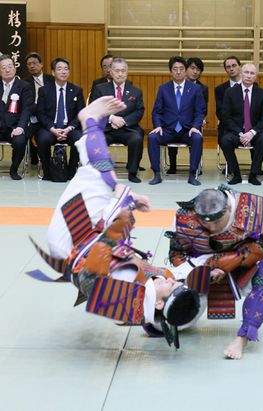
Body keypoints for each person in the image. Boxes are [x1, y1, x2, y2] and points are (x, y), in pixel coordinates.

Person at [27, 96, 200, 349]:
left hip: (72, 242)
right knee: (96, 174)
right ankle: (91, 126)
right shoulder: (145, 292)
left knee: (101, 175)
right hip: (83, 241)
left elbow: (97, 259)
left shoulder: (127, 287)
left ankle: (89, 121)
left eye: (170, 287)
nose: (171, 280)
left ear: (159, 303)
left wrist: (123, 202)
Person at [165, 186, 263, 359]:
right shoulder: (185, 216)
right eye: (206, 223)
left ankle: (242, 338)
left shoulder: (251, 207)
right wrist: (201, 275)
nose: (212, 227)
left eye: (217, 222)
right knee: (166, 323)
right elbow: (177, 256)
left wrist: (235, 259)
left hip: (241, 266)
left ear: (229, 208)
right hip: (200, 271)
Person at [148, 56, 206, 186]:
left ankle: (192, 174)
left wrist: (196, 126)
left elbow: (199, 111)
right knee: (152, 137)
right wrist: (157, 125)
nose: (178, 72)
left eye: (181, 69)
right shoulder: (164, 89)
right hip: (168, 130)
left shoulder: (195, 89)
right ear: (171, 71)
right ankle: (157, 174)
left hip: (187, 130)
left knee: (197, 138)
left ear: (185, 71)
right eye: (175, 69)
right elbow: (157, 111)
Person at [90, 57, 145, 183]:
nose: (120, 73)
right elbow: (94, 108)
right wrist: (111, 118)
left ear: (127, 72)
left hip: (127, 128)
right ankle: (101, 171)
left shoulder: (135, 91)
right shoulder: (100, 89)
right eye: (117, 70)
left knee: (136, 138)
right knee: (97, 139)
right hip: (106, 128)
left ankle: (132, 172)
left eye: (123, 70)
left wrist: (123, 121)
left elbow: (139, 111)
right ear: (111, 71)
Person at [220, 63, 263, 185]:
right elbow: (226, 117)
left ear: (256, 76)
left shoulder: (262, 93)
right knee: (225, 140)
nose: (249, 76)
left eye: (252, 73)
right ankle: (235, 174)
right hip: (237, 131)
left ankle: (254, 174)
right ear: (241, 74)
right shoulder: (230, 92)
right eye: (246, 72)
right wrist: (241, 133)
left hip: (255, 132)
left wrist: (252, 133)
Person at [36, 57, 85, 181]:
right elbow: (40, 113)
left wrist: (68, 129)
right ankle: (47, 171)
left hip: (69, 128)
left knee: (79, 139)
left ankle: (71, 170)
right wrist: (52, 129)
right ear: (53, 72)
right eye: (60, 69)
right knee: (42, 139)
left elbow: (80, 113)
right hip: (50, 128)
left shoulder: (76, 90)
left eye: (66, 69)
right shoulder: (44, 90)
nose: (63, 72)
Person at [167, 57, 209, 175]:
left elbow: (203, 108)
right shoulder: (172, 85)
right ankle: (172, 165)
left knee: (195, 133)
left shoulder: (202, 88)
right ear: (186, 69)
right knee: (173, 125)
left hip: (193, 122)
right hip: (175, 122)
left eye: (198, 69)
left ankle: (194, 167)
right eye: (192, 68)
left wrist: (198, 121)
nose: (195, 72)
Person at [0, 54, 33, 180]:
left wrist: (20, 127)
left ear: (15, 68)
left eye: (10, 66)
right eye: (3, 67)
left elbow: (27, 110)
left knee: (20, 141)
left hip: (14, 127)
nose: (7, 70)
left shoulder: (24, 86)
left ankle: (14, 169)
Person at [23, 52, 54, 165]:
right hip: (33, 116)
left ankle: (54, 158)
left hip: (50, 115)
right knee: (30, 129)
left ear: (41, 64)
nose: (32, 66)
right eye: (29, 64)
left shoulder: (51, 79)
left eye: (34, 63)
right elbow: (26, 104)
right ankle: (34, 158)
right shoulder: (24, 82)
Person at [215, 56, 242, 145]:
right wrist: (233, 125)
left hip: (249, 125)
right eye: (228, 67)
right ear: (226, 70)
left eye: (234, 65)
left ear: (239, 67)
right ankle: (230, 160)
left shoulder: (253, 86)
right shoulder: (220, 89)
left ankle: (255, 160)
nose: (231, 69)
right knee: (224, 139)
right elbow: (220, 112)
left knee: (261, 139)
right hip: (228, 127)